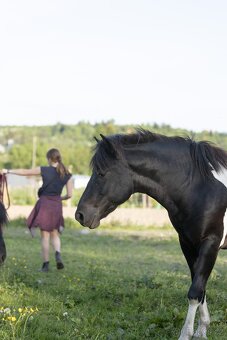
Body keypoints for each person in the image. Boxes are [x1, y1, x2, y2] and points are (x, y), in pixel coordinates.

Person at [2, 148, 73, 272]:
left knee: (45, 236)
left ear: (49, 159)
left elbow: (25, 172)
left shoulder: (44, 170)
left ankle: (46, 265)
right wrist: (59, 198)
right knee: (55, 234)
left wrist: (8, 171)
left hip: (45, 203)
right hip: (56, 203)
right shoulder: (67, 174)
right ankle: (57, 253)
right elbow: (70, 195)